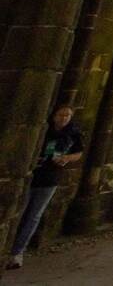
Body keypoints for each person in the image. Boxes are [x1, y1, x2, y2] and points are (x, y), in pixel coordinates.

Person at [7, 105, 84, 271]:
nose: (64, 118)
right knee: (17, 212)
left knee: (34, 215)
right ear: (54, 115)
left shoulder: (73, 133)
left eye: (67, 115)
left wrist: (66, 158)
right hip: (30, 175)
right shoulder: (42, 128)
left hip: (50, 178)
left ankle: (17, 252)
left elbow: (78, 152)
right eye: (61, 115)